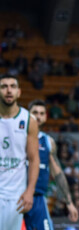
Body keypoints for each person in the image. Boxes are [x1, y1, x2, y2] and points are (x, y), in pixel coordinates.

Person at [24, 100, 79, 229]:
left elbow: (58, 173)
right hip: (17, 198)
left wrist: (69, 202)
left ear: (46, 117)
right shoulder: (18, 137)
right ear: (27, 115)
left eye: (42, 113)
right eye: (35, 113)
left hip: (38, 201)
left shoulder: (48, 142)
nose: (38, 116)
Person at [0, 74, 40, 230]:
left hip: (15, 195)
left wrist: (30, 191)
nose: (8, 91)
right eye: (4, 87)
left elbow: (34, 159)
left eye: (12, 86)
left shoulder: (28, 120)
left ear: (19, 92)